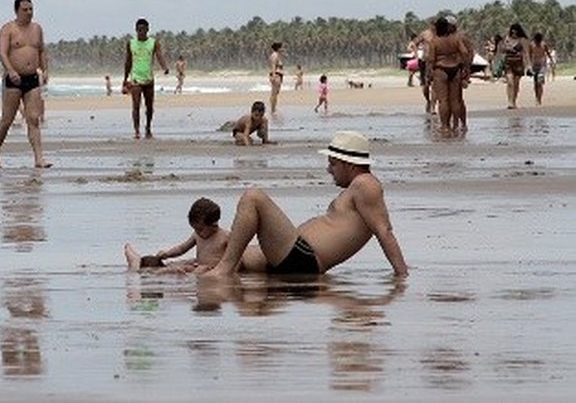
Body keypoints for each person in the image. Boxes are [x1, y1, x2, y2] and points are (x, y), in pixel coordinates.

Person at [203, 131, 408, 278]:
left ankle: (224, 271)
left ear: (350, 164)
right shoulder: (356, 188)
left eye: (333, 164)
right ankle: (183, 268)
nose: (329, 170)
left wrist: (402, 274)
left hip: (303, 258)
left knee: (253, 197)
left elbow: (384, 231)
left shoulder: (366, 184)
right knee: (235, 252)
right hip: (293, 256)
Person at [0, 0, 50, 169]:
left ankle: (39, 159)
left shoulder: (37, 29)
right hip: (13, 79)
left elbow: (41, 51)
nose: (29, 12)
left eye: (31, 9)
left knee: (33, 118)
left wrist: (45, 70)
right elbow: (2, 53)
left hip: (32, 79)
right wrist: (10, 70)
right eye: (25, 10)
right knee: (7, 120)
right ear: (17, 11)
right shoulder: (8, 29)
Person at [125, 197, 230, 273]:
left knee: (169, 271)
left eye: (200, 229)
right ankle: (140, 261)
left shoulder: (224, 237)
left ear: (214, 225)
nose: (197, 232)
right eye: (195, 229)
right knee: (170, 265)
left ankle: (136, 265)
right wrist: (167, 254)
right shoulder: (197, 236)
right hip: (197, 266)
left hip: (210, 271)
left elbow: (236, 257)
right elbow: (181, 249)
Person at [123, 18, 169, 139]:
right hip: (136, 80)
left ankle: (148, 128)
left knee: (149, 107)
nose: (141, 32)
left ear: (147, 30)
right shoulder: (131, 43)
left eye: (143, 30)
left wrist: (165, 67)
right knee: (136, 105)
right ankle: (137, 131)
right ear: (136, 30)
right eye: (139, 30)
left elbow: (159, 56)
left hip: (149, 79)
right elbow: (128, 61)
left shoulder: (153, 43)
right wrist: (125, 77)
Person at [425, 16, 471, 135]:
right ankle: (456, 125)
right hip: (455, 69)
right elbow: (465, 52)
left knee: (443, 100)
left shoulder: (434, 41)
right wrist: (465, 68)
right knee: (455, 100)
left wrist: (428, 74)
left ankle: (445, 126)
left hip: (441, 70)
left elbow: (430, 59)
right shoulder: (455, 39)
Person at [500, 23, 530, 109]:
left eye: (516, 30)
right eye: (512, 30)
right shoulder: (506, 38)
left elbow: (526, 53)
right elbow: (501, 49)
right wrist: (506, 48)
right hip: (508, 63)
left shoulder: (522, 40)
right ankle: (509, 102)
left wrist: (528, 65)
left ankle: (514, 101)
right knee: (510, 82)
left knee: (516, 84)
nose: (514, 32)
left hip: (519, 64)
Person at [410, 23, 435, 114]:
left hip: (435, 62)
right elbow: (414, 43)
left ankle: (433, 105)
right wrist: (416, 55)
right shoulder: (425, 34)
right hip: (424, 61)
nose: (434, 27)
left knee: (435, 84)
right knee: (425, 85)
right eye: (433, 25)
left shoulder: (440, 34)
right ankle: (428, 100)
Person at [529, 32, 551, 106]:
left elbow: (547, 53)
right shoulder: (531, 44)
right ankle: (536, 98)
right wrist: (529, 64)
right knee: (535, 83)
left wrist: (551, 60)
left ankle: (539, 99)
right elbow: (529, 54)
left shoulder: (543, 44)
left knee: (540, 83)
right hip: (534, 65)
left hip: (542, 65)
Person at [268, 42, 284, 114]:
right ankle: (273, 110)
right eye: (281, 47)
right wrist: (274, 76)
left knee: (276, 93)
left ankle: (273, 108)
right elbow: (273, 66)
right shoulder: (275, 55)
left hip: (278, 75)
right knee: (274, 93)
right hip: (276, 75)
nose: (282, 49)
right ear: (278, 48)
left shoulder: (277, 55)